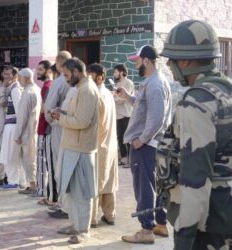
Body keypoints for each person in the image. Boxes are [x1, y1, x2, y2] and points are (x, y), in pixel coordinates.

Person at [158, 20, 232, 250]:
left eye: (172, 58)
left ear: (187, 60)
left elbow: (195, 180)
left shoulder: (196, 103)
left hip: (209, 226)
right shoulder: (226, 89)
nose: (169, 64)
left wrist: (184, 237)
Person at [117, 45, 171, 244]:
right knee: (153, 185)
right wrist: (127, 96)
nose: (136, 64)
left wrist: (142, 140)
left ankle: (146, 230)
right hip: (149, 144)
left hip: (146, 145)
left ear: (147, 60)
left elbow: (156, 118)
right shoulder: (153, 82)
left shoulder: (155, 83)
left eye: (138, 61)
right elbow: (145, 107)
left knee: (144, 187)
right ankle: (161, 224)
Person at [52, 58, 100, 244]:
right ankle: (74, 225)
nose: (64, 78)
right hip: (72, 146)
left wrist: (60, 119)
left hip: (81, 149)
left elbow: (82, 122)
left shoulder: (87, 90)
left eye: (66, 74)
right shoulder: (80, 88)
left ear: (77, 72)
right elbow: (76, 116)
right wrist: (62, 114)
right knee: (72, 191)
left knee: (81, 193)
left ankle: (82, 230)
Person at [87, 63, 118, 228]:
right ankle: (110, 215)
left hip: (99, 144)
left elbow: (97, 124)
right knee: (108, 181)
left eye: (91, 74)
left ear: (100, 77)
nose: (88, 77)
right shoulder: (107, 93)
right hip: (110, 144)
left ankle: (91, 218)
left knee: (96, 183)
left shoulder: (98, 96)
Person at [44, 51, 72, 219]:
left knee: (59, 167)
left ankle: (64, 205)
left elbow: (49, 108)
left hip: (59, 126)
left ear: (60, 62)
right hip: (73, 129)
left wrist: (52, 122)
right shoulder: (77, 82)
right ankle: (66, 204)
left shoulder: (60, 82)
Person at [15, 68, 41, 194]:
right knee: (32, 158)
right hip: (34, 130)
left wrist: (18, 134)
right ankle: (33, 184)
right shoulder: (36, 89)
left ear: (25, 78)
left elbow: (22, 116)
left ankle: (32, 185)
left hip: (27, 131)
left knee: (29, 159)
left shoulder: (28, 93)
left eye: (20, 78)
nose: (19, 80)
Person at [0, 66, 25, 189]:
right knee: (10, 154)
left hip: (13, 127)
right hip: (11, 126)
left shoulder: (15, 89)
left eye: (9, 74)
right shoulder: (12, 88)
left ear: (15, 76)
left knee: (10, 155)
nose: (6, 76)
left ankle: (13, 180)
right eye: (5, 73)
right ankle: (14, 180)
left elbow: (19, 111)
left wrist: (20, 131)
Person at [35, 60, 55, 202]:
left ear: (49, 71)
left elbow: (44, 109)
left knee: (42, 161)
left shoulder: (48, 86)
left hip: (45, 128)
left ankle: (41, 190)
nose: (38, 72)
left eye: (41, 69)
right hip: (45, 127)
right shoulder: (49, 86)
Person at [112, 64, 134, 167]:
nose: (114, 74)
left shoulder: (128, 83)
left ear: (121, 72)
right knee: (120, 137)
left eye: (116, 72)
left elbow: (124, 98)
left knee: (128, 137)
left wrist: (114, 97)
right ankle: (124, 159)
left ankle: (130, 160)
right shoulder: (117, 84)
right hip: (118, 114)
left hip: (126, 114)